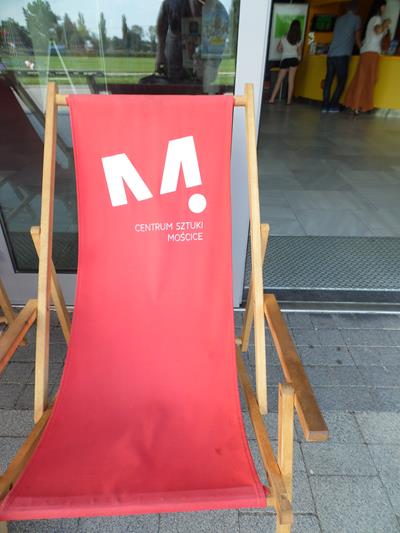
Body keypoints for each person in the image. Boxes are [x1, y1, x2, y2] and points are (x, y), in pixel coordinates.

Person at [344, 0, 391, 114]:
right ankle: (358, 105)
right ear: (381, 7)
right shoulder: (377, 19)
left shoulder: (373, 19)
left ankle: (357, 104)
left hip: (368, 52)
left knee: (365, 79)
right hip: (371, 53)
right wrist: (385, 23)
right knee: (368, 79)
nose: (385, 9)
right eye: (384, 7)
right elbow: (377, 30)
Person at [322, 1, 361, 113]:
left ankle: (325, 107)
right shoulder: (356, 19)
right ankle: (333, 106)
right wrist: (362, 49)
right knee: (341, 82)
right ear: (356, 9)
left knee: (328, 81)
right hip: (342, 55)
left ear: (346, 9)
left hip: (331, 54)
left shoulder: (339, 19)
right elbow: (357, 38)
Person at [269, 20, 302, 105]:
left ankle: (272, 99)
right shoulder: (298, 39)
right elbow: (299, 52)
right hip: (294, 60)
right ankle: (288, 101)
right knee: (291, 81)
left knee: (279, 80)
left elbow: (278, 49)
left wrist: (284, 50)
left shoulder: (284, 37)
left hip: (285, 60)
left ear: (291, 27)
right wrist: (298, 59)